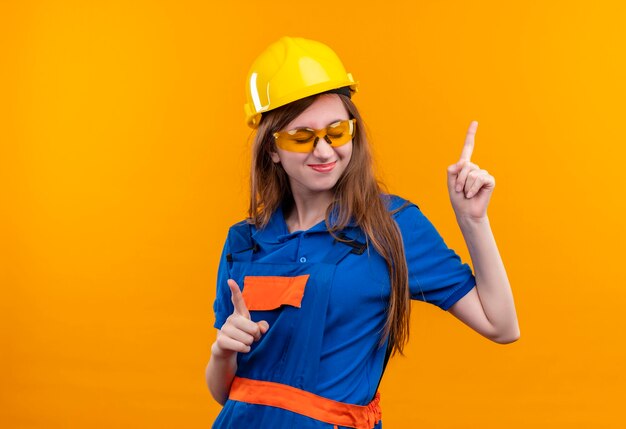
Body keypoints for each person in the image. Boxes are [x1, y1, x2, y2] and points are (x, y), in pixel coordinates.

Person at [205, 36, 519, 429]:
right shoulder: (244, 242)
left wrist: (473, 221)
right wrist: (222, 351)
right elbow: (226, 393)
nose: (323, 151)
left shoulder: (391, 226)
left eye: (336, 132)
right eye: (302, 137)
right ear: (272, 149)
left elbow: (502, 325)